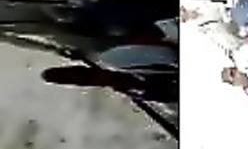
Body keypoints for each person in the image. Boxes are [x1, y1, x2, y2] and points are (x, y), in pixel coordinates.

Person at [41, 65, 178, 103]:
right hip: (111, 77)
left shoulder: (71, 77)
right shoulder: (72, 73)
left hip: (112, 79)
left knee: (145, 88)